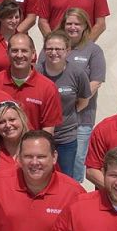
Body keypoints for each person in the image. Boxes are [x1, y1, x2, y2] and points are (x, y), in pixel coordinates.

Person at [40, 33, 93, 181]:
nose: (54, 52)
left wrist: (66, 114)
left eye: (58, 49)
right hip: (39, 135)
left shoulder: (77, 73)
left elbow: (83, 101)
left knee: (64, 179)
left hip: (66, 137)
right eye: (49, 48)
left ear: (68, 50)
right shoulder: (36, 72)